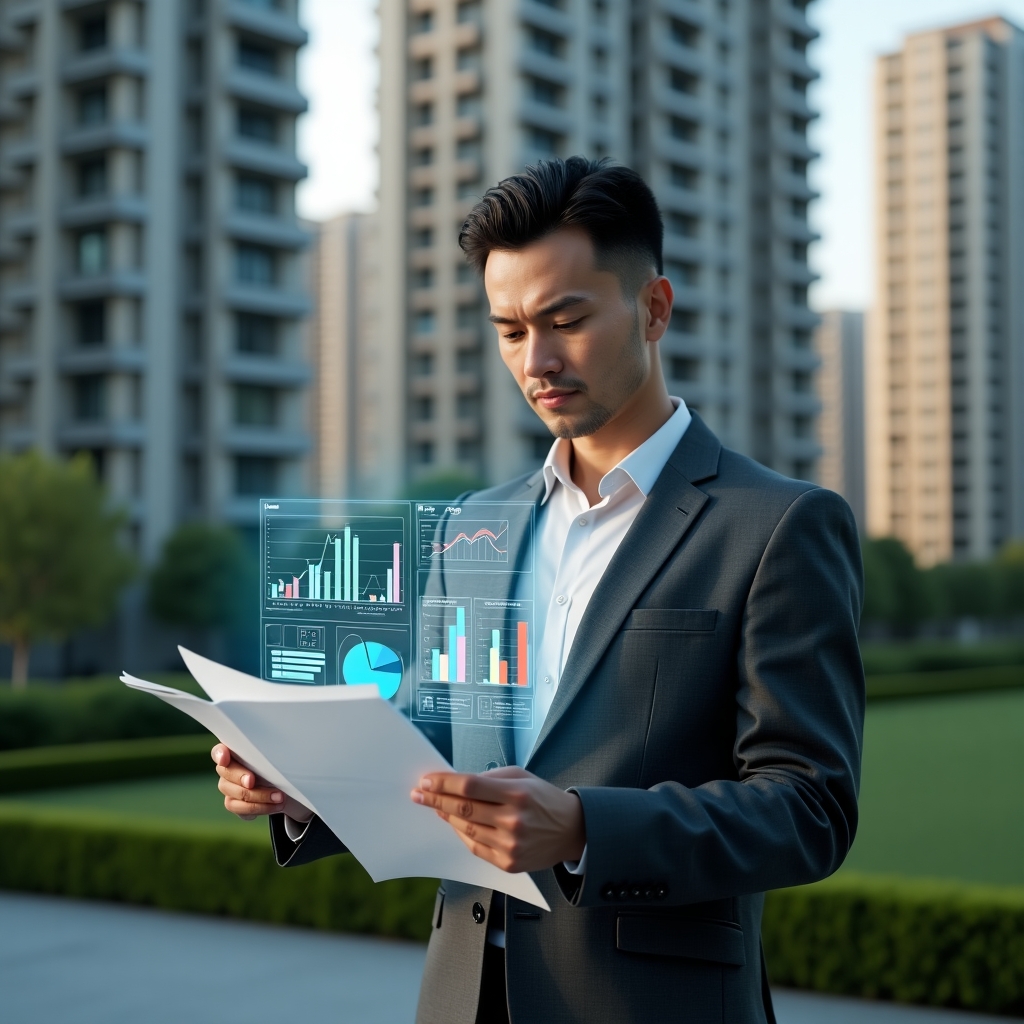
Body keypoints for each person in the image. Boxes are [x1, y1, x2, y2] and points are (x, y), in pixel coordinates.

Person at [211, 157, 864, 1024]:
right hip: (462, 995)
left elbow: (810, 805)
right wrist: (306, 786)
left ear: (654, 308)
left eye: (566, 319)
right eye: (511, 330)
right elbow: (436, 737)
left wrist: (587, 828)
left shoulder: (778, 525)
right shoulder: (471, 527)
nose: (538, 360)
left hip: (654, 1004)